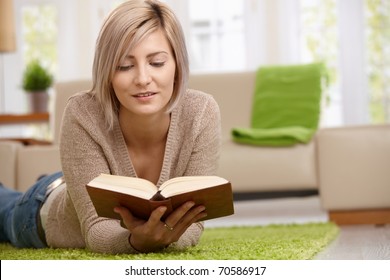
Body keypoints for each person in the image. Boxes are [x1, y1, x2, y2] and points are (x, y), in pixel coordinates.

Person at [0, 0, 221, 254]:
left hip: (74, 181)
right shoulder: (82, 112)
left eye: (157, 62)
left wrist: (160, 238)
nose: (142, 79)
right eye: (124, 66)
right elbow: (96, 229)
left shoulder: (202, 112)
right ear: (108, 73)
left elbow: (194, 222)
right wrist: (138, 241)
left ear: (177, 65)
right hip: (40, 209)